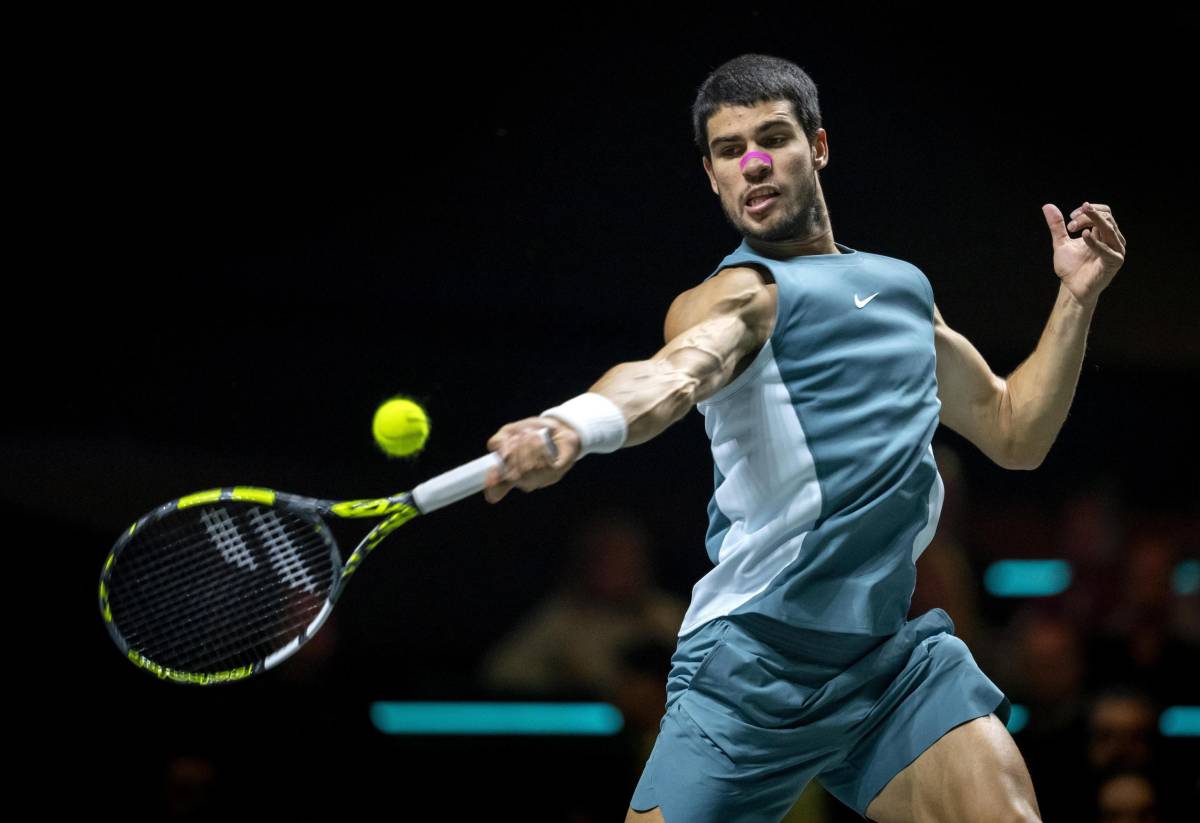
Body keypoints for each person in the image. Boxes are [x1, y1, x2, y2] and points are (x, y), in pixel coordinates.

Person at [482, 53, 1126, 822]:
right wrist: (570, 427)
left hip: (887, 666)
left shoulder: (901, 291)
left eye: (772, 138)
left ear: (817, 147)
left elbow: (1015, 431)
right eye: (729, 151)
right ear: (713, 176)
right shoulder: (737, 297)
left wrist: (1076, 299)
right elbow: (671, 376)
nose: (752, 164)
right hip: (749, 670)